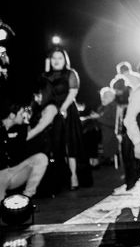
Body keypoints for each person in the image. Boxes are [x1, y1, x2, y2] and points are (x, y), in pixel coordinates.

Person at [0, 104, 49, 205]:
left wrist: (26, 126)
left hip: (13, 171)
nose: (23, 116)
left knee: (41, 158)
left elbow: (23, 149)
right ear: (11, 115)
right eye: (20, 114)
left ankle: (26, 199)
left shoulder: (21, 128)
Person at [39, 47, 86, 190]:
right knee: (55, 145)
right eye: (54, 58)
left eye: (60, 58)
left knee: (69, 145)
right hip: (51, 111)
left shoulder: (70, 73)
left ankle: (74, 177)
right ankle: (60, 179)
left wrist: (63, 109)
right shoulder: (46, 75)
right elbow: (43, 95)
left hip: (67, 110)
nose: (56, 61)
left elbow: (73, 92)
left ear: (65, 59)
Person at [95, 86, 118, 165]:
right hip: (102, 132)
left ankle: (108, 158)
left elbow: (114, 123)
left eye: (105, 97)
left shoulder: (114, 107)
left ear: (111, 97)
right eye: (102, 96)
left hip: (111, 133)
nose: (103, 98)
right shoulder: (102, 107)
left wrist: (99, 118)